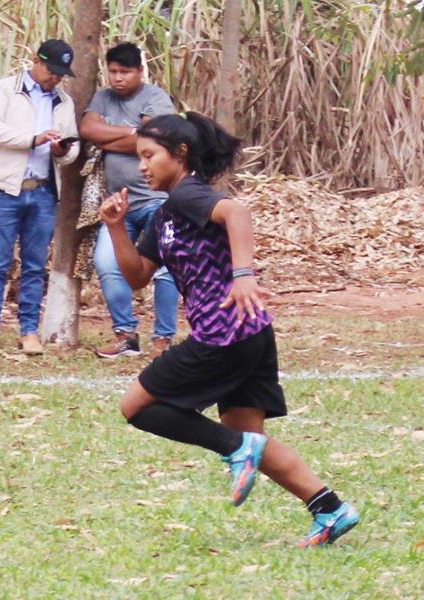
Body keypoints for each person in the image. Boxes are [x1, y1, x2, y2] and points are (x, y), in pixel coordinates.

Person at [99, 112, 359, 547]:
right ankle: (330, 509)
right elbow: (139, 275)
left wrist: (244, 275)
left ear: (180, 154)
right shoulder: (165, 215)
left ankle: (235, 450)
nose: (141, 166)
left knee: (136, 407)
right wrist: (115, 226)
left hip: (223, 333)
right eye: (138, 157)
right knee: (246, 433)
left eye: (149, 155)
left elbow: (237, 211)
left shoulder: (189, 194)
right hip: (250, 334)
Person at [0, 39, 80, 355]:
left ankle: (29, 331)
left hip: (44, 191)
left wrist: (62, 151)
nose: (55, 78)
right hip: (4, 189)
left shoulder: (63, 102)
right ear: (35, 60)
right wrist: (32, 140)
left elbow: (71, 150)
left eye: (61, 73)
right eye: (51, 70)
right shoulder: (5, 90)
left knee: (35, 265)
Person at [80, 42, 179, 359]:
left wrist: (115, 136)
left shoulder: (155, 97)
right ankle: (126, 334)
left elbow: (156, 138)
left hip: (157, 202)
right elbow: (88, 129)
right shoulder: (102, 97)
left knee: (165, 268)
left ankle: (163, 339)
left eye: (125, 72)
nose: (118, 78)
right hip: (117, 206)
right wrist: (133, 133)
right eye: (113, 71)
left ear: (139, 71)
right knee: (107, 264)